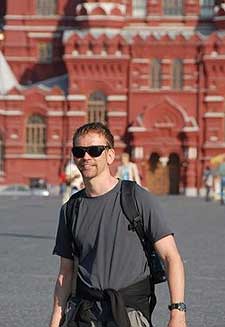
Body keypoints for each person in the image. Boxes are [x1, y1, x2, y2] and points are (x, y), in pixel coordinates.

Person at [49, 122, 187, 327]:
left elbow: (171, 257)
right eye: (79, 151)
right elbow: (65, 273)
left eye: (95, 151)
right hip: (85, 315)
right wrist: (55, 322)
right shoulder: (70, 209)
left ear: (110, 155)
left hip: (129, 313)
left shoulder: (137, 198)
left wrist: (178, 313)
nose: (86, 157)